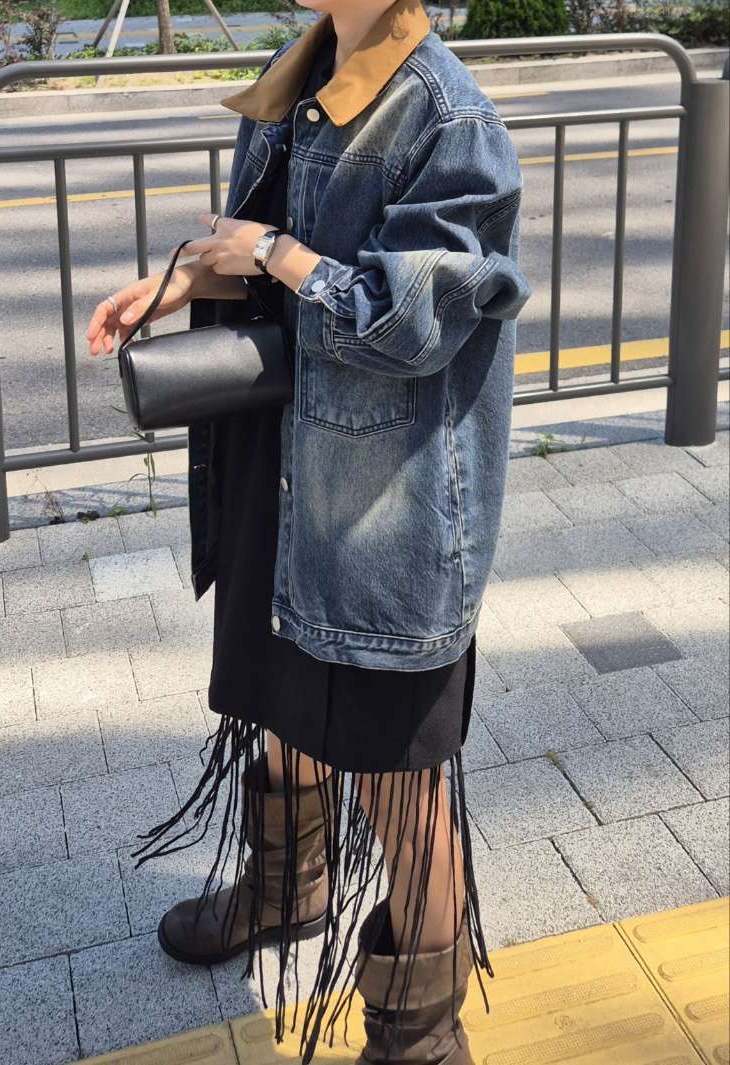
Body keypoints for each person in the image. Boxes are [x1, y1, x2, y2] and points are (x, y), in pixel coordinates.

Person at [85, 2, 531, 1062]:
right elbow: (270, 250)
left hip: (382, 506)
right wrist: (182, 280)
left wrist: (276, 253)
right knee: (277, 699)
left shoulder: (447, 117)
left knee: (396, 774)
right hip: (281, 460)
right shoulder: (308, 72)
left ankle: (421, 1031)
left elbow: (411, 324)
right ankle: (291, 886)